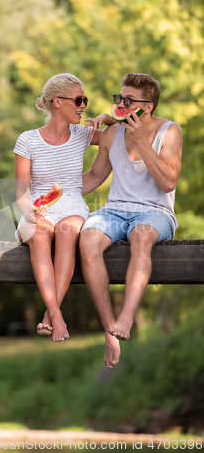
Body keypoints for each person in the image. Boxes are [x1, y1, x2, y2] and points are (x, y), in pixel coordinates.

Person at [80, 72, 183, 367]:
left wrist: (141, 141)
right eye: (119, 99)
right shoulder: (113, 134)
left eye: (128, 100)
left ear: (147, 106)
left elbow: (168, 183)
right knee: (87, 238)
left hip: (155, 211)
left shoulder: (170, 132)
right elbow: (95, 177)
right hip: (114, 210)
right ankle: (109, 328)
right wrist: (54, 188)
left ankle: (126, 318)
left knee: (141, 235)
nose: (121, 104)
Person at [14, 73, 113, 342]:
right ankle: (57, 316)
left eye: (85, 100)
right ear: (57, 102)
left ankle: (50, 314)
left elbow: (121, 132)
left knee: (69, 231)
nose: (83, 106)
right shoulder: (28, 140)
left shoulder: (83, 134)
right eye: (78, 99)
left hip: (72, 203)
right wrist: (29, 213)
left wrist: (107, 118)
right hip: (37, 205)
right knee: (39, 235)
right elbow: (21, 192)